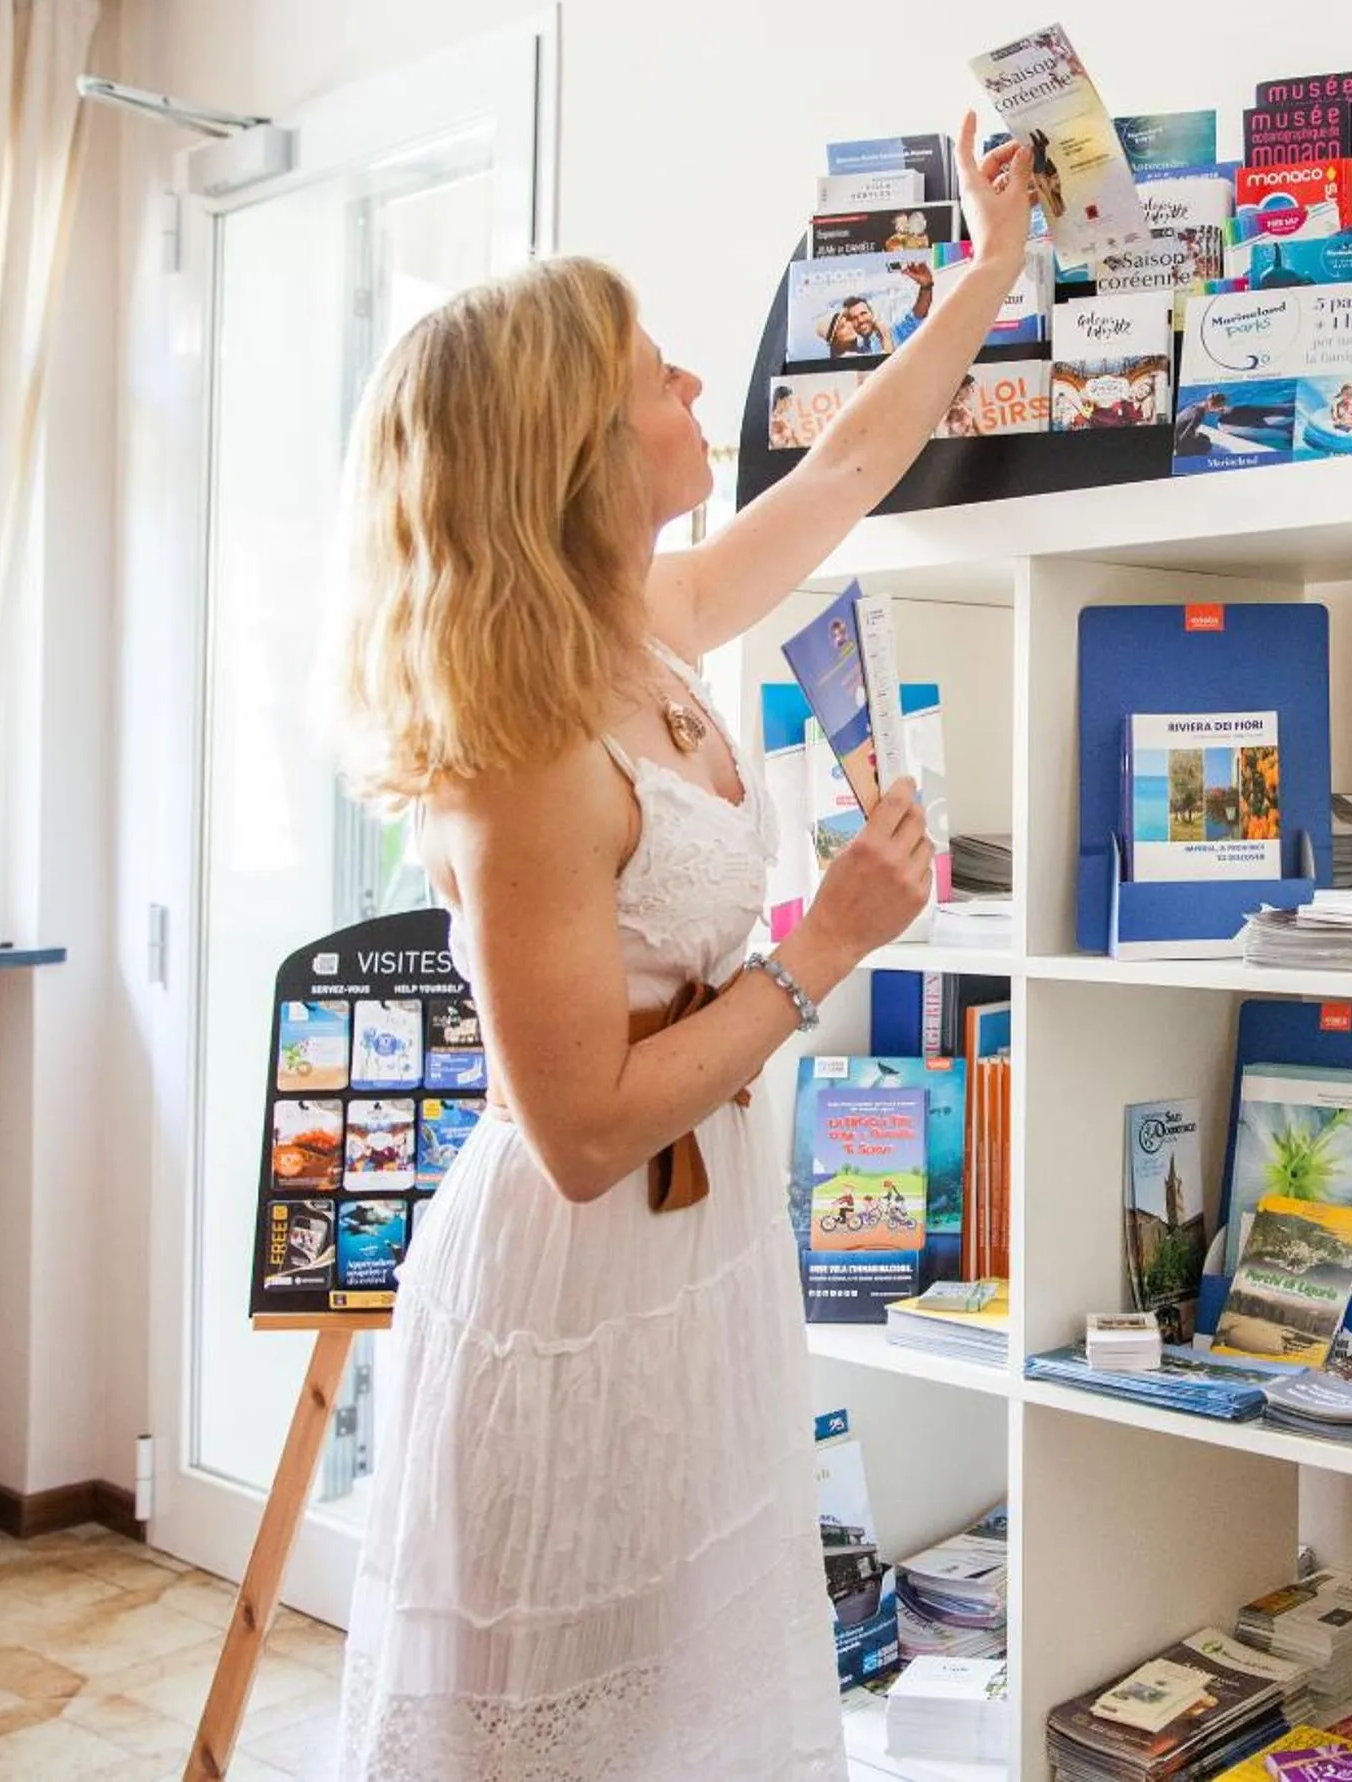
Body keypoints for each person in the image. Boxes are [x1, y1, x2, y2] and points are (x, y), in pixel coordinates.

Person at [330, 114, 1034, 1780]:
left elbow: (851, 464)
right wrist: (824, 948)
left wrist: (986, 273)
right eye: (658, 375)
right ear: (576, 445)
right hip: (573, 1290)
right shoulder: (520, 749)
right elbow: (576, 1134)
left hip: (699, 1263)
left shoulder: (644, 624)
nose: (693, 386)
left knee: (680, 1697)